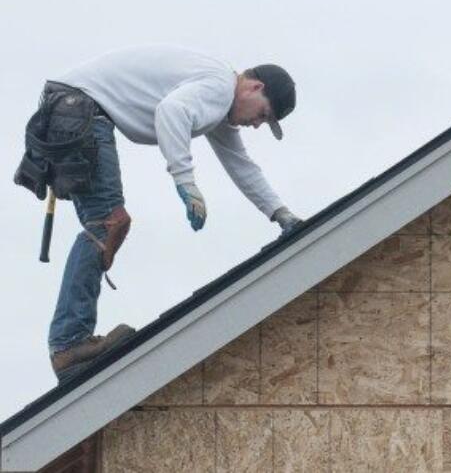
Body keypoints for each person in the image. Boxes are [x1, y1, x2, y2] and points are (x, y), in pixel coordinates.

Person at [12, 44, 304, 382]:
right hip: (78, 107)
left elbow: (242, 165)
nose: (257, 124)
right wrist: (185, 181)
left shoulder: (217, 96)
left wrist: (282, 215)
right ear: (255, 87)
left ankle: (69, 341)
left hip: (70, 106)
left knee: (105, 223)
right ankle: (68, 344)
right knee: (107, 223)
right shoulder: (219, 87)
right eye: (264, 114)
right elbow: (171, 112)